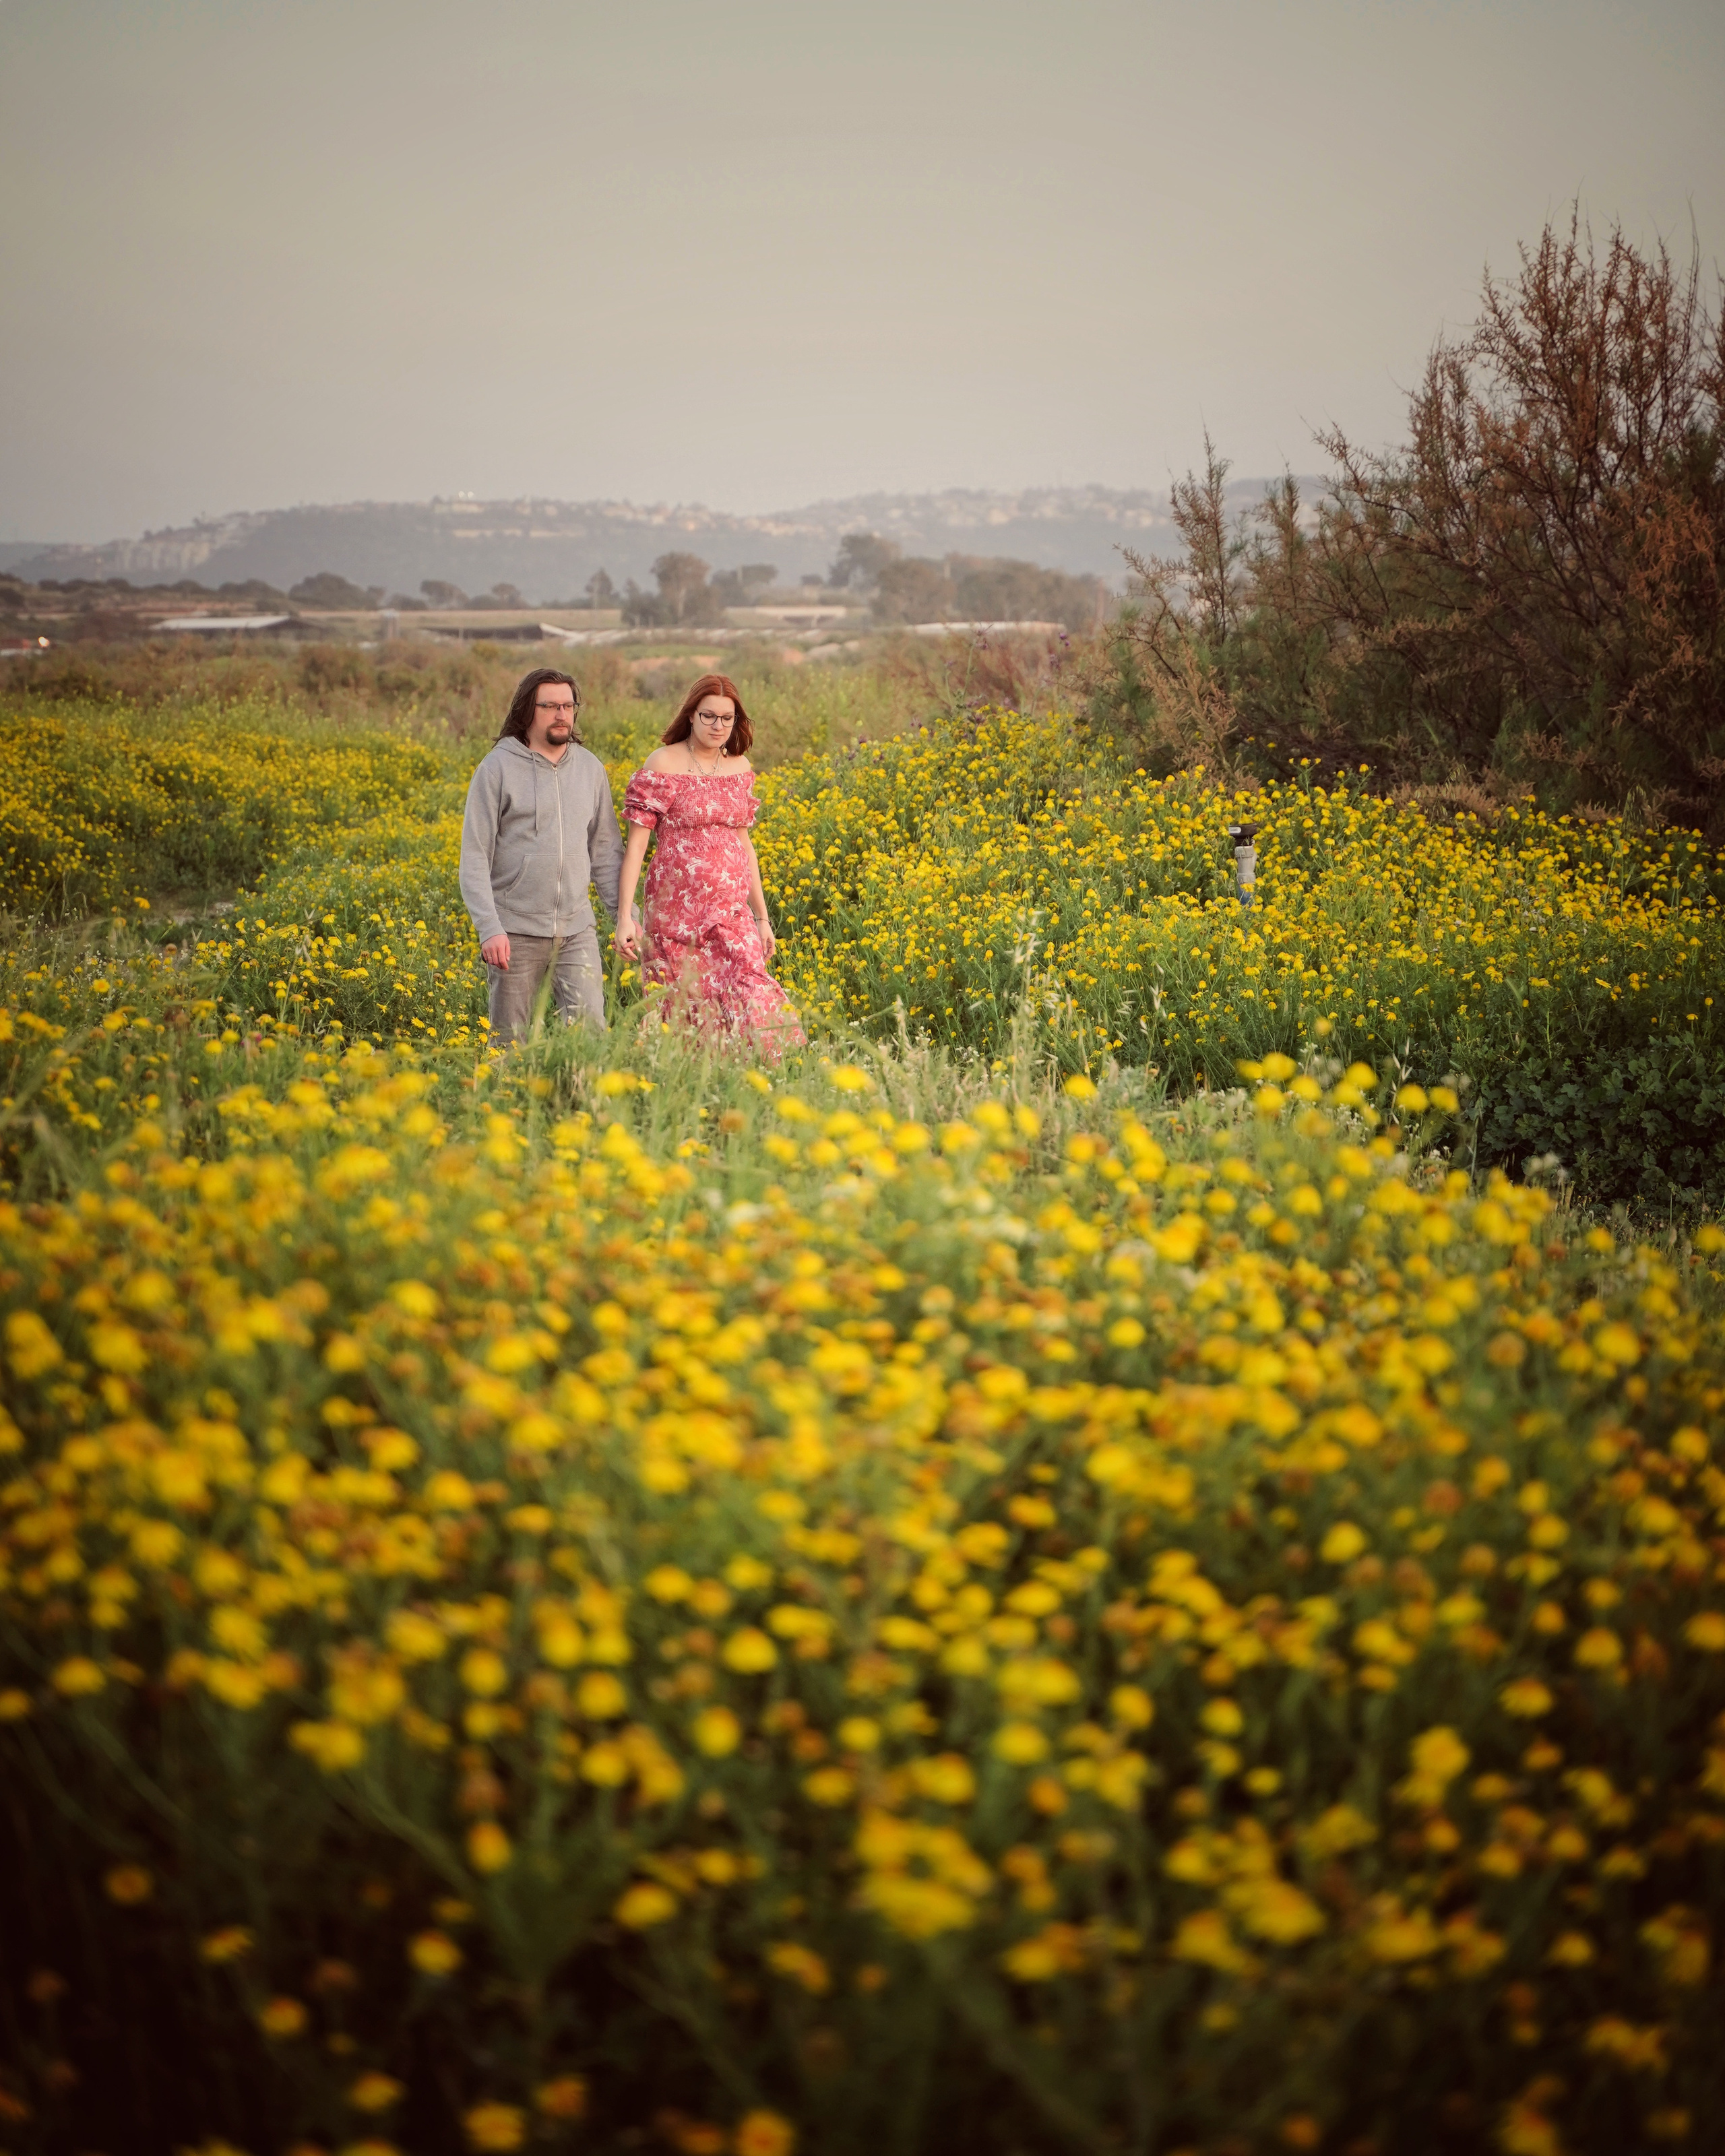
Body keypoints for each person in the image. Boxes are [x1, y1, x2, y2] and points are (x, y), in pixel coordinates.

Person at [615, 674, 803, 1049]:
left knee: (753, 994)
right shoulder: (663, 762)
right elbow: (636, 848)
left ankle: (765, 1084)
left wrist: (762, 918)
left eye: (727, 718)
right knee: (684, 1009)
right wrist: (625, 917)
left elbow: (744, 846)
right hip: (675, 919)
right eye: (709, 716)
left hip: (730, 914)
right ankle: (697, 1095)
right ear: (691, 716)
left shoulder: (739, 767)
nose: (718, 726)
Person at [458, 666, 629, 1043]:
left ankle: (579, 1101)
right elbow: (474, 857)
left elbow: (605, 853)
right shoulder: (496, 769)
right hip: (514, 933)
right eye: (550, 706)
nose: (561, 714)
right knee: (510, 1043)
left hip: (576, 930)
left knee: (590, 1037)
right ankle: (505, 1100)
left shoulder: (590, 769)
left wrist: (626, 918)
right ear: (527, 711)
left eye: (568, 706)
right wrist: (490, 928)